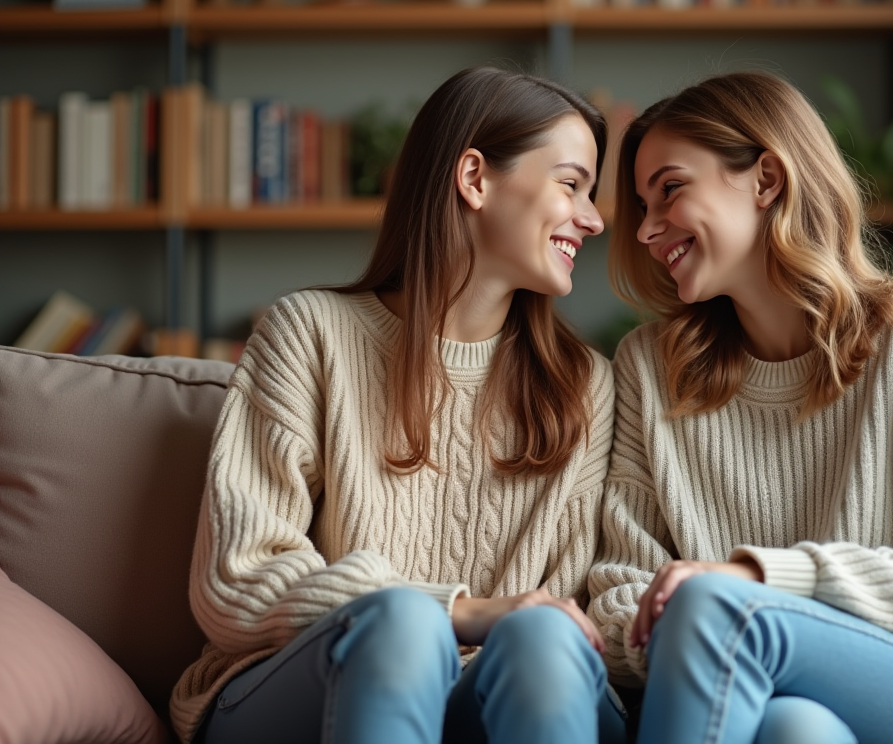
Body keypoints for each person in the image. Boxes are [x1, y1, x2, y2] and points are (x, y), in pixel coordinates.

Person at [587, 71, 893, 744]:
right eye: (642, 205)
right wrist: (707, 628)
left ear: (767, 179)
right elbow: (615, 598)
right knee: (794, 728)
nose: (647, 230)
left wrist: (757, 581)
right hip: (762, 704)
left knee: (714, 607)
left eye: (670, 189)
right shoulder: (649, 369)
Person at [170, 66, 625, 744]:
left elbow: (563, 616)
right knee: (404, 624)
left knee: (540, 642)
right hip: (301, 685)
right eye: (570, 185)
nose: (592, 218)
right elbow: (238, 580)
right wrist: (457, 611)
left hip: (492, 695)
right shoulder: (311, 333)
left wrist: (496, 626)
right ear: (475, 179)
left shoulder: (583, 382)